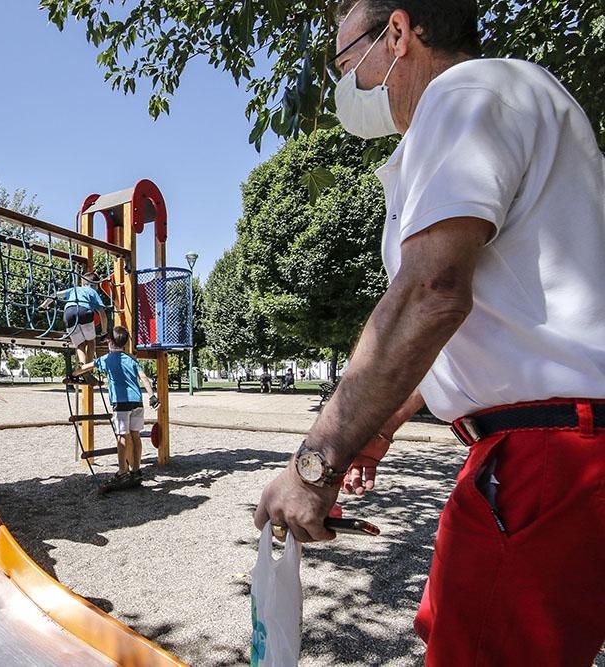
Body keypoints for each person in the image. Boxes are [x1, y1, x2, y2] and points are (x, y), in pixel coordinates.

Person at [254, 1, 605, 664]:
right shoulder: (523, 95)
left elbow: (432, 293)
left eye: (345, 63)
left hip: (544, 455)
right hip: (546, 445)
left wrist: (316, 461)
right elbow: (495, 313)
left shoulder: (461, 95)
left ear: (398, 32)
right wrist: (381, 422)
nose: (346, 86)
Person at [73, 325, 158, 491]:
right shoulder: (132, 359)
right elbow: (144, 378)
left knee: (122, 436)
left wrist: (72, 375)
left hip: (121, 403)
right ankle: (136, 470)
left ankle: (122, 472)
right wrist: (152, 396)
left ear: (110, 342)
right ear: (125, 344)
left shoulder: (106, 359)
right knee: (135, 435)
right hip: (137, 402)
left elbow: (85, 367)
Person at [39, 272, 108, 382]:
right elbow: (102, 313)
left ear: (82, 282)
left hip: (68, 314)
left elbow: (55, 294)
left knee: (80, 344)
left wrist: (44, 305)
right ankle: (87, 369)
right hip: (85, 312)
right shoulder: (93, 292)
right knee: (91, 342)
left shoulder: (74, 289)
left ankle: (82, 364)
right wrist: (104, 332)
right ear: (96, 285)